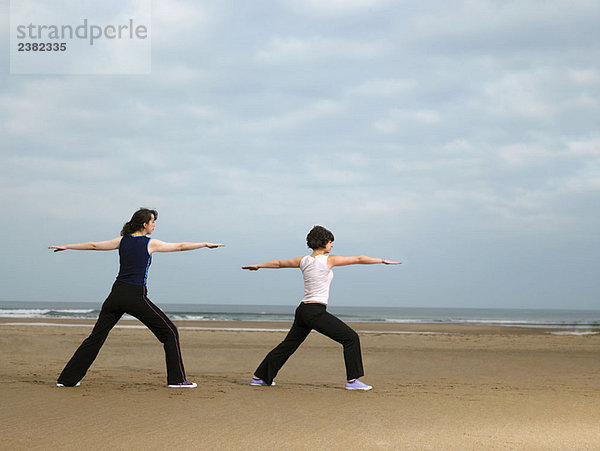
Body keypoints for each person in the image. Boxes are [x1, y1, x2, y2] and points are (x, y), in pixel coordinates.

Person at [49, 208, 224, 388]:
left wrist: (67, 246)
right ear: (144, 224)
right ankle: (177, 380)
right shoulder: (150, 243)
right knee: (170, 332)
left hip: (115, 295)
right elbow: (179, 246)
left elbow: (94, 245)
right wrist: (204, 244)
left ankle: (67, 379)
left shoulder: (121, 241)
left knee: (96, 337)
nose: (154, 225)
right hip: (134, 295)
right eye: (152, 221)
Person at [242, 225, 401, 391]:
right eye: (331, 242)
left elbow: (278, 263)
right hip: (315, 312)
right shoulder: (328, 260)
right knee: (351, 338)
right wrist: (382, 261)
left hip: (303, 310)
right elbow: (359, 259)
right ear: (324, 242)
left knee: (288, 345)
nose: (332, 245)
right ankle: (353, 381)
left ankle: (259, 377)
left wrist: (259, 265)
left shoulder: (302, 260)